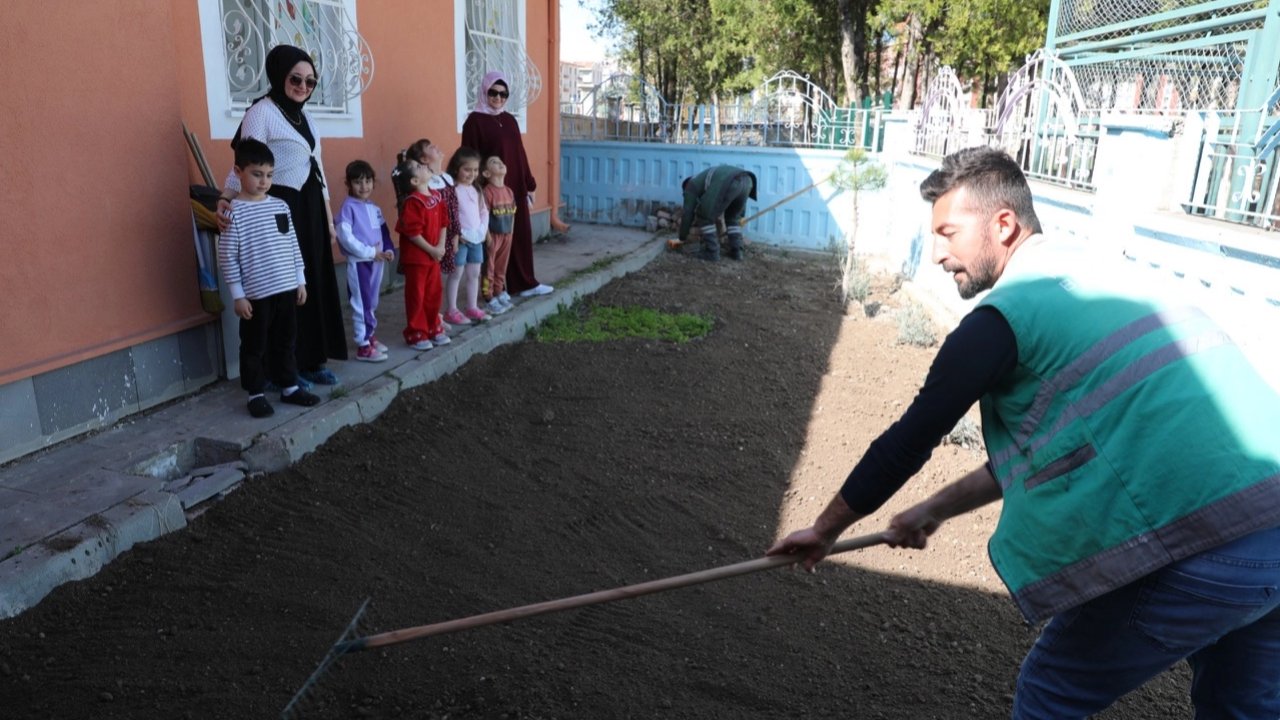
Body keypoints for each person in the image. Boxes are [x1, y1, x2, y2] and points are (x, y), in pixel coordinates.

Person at [768, 146, 1280, 718]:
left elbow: (908, 441)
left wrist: (824, 530)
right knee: (1242, 704)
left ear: (1003, 224)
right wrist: (931, 510)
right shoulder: (1107, 276)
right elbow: (1054, 445)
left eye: (949, 232)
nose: (938, 254)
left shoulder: (1003, 320)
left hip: (1208, 539)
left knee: (1051, 693)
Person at [218, 44, 347, 387]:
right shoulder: (261, 112)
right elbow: (247, 159)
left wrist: (329, 218)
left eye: (310, 82)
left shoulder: (307, 117)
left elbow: (317, 167)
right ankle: (283, 368)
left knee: (313, 281)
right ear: (279, 74)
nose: (303, 87)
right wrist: (227, 196)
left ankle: (313, 360)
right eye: (296, 79)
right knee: (285, 287)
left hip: (310, 206)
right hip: (277, 206)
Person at [216, 139, 321, 418]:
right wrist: (238, 295)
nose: (264, 181)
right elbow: (227, 257)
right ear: (238, 171)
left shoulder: (280, 206)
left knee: (286, 340)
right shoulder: (232, 213)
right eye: (257, 174)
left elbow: (292, 246)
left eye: (269, 175)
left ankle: (289, 386)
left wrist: (300, 280)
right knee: (254, 345)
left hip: (286, 288)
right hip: (256, 295)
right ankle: (256, 392)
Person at [461, 71, 553, 298]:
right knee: (495, 243)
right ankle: (494, 290)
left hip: (514, 189)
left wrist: (529, 184)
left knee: (518, 236)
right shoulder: (474, 121)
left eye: (503, 94)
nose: (498, 98)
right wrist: (474, 189)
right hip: (492, 191)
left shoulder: (510, 119)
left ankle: (525, 284)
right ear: (485, 91)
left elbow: (519, 154)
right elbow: (469, 156)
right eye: (493, 92)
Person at [335, 160, 395, 362]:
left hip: (376, 262)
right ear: (349, 184)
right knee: (361, 303)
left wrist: (387, 249)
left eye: (368, 181)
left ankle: (369, 335)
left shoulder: (374, 207)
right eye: (358, 182)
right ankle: (363, 345)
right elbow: (345, 236)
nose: (364, 187)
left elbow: (384, 231)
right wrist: (369, 252)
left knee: (372, 302)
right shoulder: (348, 208)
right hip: (361, 263)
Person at [390, 150, 449, 351]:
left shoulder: (436, 196)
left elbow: (443, 222)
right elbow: (412, 233)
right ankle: (416, 332)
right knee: (417, 295)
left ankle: (433, 327)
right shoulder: (412, 203)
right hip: (418, 260)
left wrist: (440, 247)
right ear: (415, 181)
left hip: (434, 257)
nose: (424, 166)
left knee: (434, 294)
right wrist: (432, 249)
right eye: (418, 167)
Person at [443, 147, 495, 324]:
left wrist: (483, 232)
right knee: (456, 274)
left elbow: (484, 211)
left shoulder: (477, 189)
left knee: (474, 274)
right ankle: (451, 309)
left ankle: (472, 307)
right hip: (461, 240)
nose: (472, 173)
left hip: (476, 239)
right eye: (467, 169)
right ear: (457, 168)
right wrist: (457, 234)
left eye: (475, 170)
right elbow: (450, 215)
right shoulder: (452, 190)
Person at [678, 165, 758, 261]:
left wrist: (682, 237)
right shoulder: (704, 178)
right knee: (732, 219)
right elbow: (738, 212)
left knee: (704, 216)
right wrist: (740, 215)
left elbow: (687, 213)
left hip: (730, 181)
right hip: (748, 180)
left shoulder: (690, 186)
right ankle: (737, 252)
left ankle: (712, 252)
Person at [481, 155, 516, 316]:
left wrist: (511, 232)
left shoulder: (509, 191)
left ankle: (499, 290)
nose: (500, 163)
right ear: (487, 174)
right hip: (493, 235)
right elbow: (484, 216)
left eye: (501, 161)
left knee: (502, 265)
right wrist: (487, 237)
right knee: (490, 266)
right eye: (494, 162)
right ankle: (489, 296)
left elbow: (513, 214)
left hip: (507, 235)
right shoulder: (487, 192)